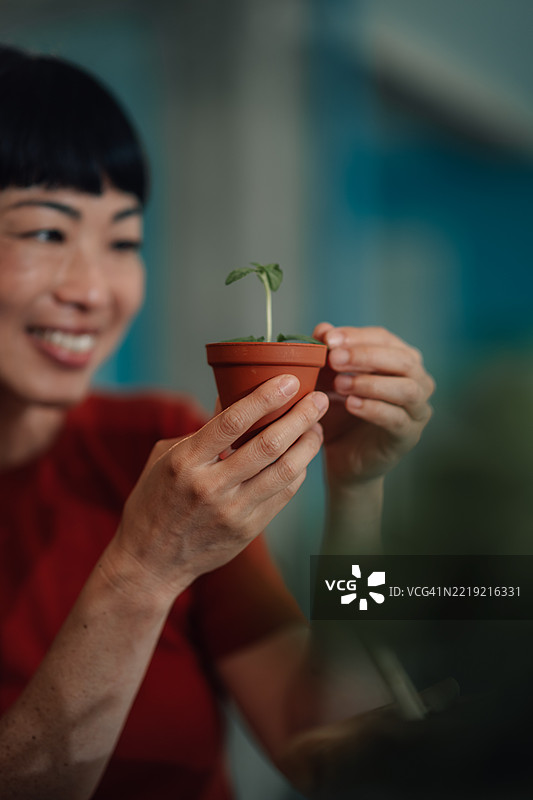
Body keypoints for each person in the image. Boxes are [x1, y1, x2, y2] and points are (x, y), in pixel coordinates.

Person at [0, 45, 435, 800]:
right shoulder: (167, 503)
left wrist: (358, 494)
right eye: (44, 232)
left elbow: (330, 753)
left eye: (125, 242)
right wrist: (142, 570)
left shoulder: (159, 446)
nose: (95, 290)